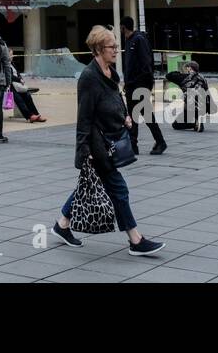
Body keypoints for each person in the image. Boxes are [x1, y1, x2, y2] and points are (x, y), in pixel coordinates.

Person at [50, 25, 165, 256]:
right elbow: (84, 118)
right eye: (112, 46)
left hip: (111, 139)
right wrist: (83, 151)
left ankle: (62, 224)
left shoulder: (111, 72)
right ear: (99, 49)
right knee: (118, 189)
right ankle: (135, 239)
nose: (116, 50)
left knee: (89, 185)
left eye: (116, 45)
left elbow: (114, 100)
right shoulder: (89, 77)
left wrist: (124, 117)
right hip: (97, 144)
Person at [120, 16, 165, 156]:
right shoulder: (128, 41)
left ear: (123, 27)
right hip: (132, 85)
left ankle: (160, 142)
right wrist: (127, 83)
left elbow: (146, 64)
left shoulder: (139, 39)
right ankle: (133, 145)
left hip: (140, 84)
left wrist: (144, 84)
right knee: (133, 115)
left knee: (146, 114)